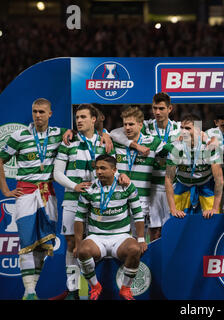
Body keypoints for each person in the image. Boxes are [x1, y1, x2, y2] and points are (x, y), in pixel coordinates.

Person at [0, 98, 67, 300]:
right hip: (26, 194)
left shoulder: (58, 134)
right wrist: (5, 190)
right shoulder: (19, 136)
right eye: (35, 111)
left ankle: (31, 291)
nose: (38, 115)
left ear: (50, 114)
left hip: (48, 195)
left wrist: (105, 137)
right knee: (27, 242)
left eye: (41, 112)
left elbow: (85, 131)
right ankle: (29, 292)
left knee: (42, 245)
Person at [53, 104, 112, 300]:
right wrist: (74, 186)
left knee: (95, 245)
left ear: (94, 120)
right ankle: (73, 291)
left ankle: (96, 290)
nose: (79, 120)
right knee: (71, 244)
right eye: (77, 117)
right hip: (72, 200)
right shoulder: (68, 142)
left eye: (83, 117)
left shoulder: (105, 142)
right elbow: (57, 173)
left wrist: (107, 134)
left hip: (98, 202)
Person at [74, 154, 147, 300]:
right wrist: (77, 244)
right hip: (96, 237)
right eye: (97, 168)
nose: (99, 172)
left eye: (103, 168)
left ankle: (125, 288)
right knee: (82, 251)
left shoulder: (126, 186)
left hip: (121, 236)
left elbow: (138, 213)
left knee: (135, 249)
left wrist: (140, 239)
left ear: (114, 170)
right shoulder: (89, 189)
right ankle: (95, 286)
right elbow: (79, 218)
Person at [110, 92, 181, 241]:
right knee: (153, 231)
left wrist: (204, 136)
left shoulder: (179, 128)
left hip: (171, 184)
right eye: (154, 108)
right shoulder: (146, 125)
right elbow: (116, 133)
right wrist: (135, 145)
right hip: (151, 186)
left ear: (170, 109)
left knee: (172, 228)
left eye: (161, 108)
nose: (157, 112)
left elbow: (195, 135)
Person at [114, 106, 163, 240]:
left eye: (131, 124)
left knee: (139, 240)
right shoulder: (117, 142)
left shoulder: (153, 142)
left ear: (141, 125)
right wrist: (135, 146)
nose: (127, 128)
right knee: (120, 239)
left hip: (141, 199)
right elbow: (112, 133)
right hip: (119, 198)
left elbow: (170, 151)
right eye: (125, 124)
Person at [165, 114, 223, 218]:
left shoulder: (209, 147)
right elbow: (168, 179)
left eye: (187, 128)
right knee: (176, 221)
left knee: (212, 221)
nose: (183, 131)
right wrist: (173, 209)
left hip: (206, 186)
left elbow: (219, 180)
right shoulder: (175, 147)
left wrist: (214, 208)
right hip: (182, 186)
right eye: (181, 128)